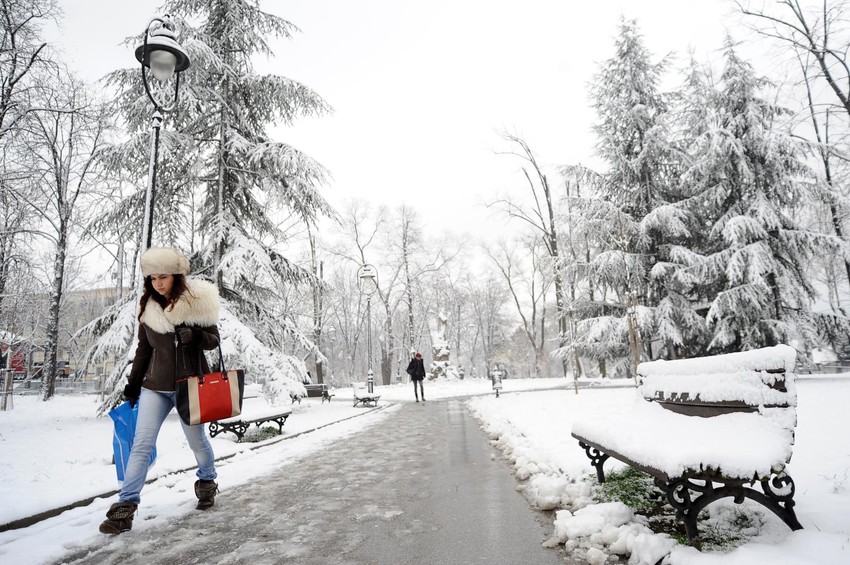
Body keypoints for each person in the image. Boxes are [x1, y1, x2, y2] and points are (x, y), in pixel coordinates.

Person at [100, 247, 222, 535]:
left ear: (175, 276)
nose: (157, 283)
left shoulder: (196, 303)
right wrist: (132, 385)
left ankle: (207, 481)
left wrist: (195, 336)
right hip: (155, 387)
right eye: (153, 277)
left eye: (163, 277)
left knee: (197, 442)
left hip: (188, 385)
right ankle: (125, 508)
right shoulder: (149, 308)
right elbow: (144, 350)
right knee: (141, 445)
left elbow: (214, 340)